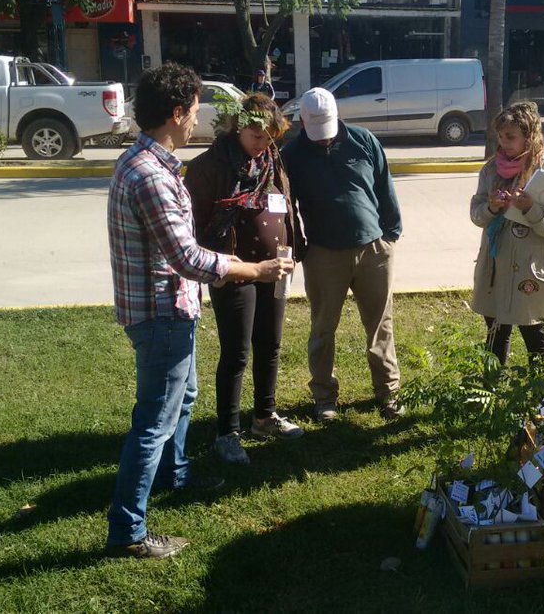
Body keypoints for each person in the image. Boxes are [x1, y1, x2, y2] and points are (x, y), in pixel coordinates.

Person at [105, 63, 293, 560]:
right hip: (161, 312)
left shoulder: (148, 163)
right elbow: (186, 256)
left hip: (172, 307)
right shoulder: (152, 176)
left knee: (183, 399)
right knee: (154, 421)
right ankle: (128, 532)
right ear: (174, 114)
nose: (197, 121)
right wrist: (253, 270)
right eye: (192, 112)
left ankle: (176, 477)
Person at [185, 93, 305, 466]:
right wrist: (214, 265)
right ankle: (227, 432)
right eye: (256, 136)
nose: (263, 144)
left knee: (270, 344)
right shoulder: (211, 166)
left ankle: (264, 417)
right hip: (234, 271)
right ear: (238, 128)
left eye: (270, 137)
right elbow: (194, 224)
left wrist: (293, 247)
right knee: (236, 352)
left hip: (276, 267)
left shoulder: (272, 161)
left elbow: (287, 204)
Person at [280, 87, 404, 421]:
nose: (323, 139)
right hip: (323, 254)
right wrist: (298, 245)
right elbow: (286, 207)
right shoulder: (291, 155)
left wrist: (391, 234)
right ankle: (324, 397)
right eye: (315, 131)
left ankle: (388, 393)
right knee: (322, 327)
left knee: (380, 325)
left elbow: (384, 187)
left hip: (374, 249)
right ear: (302, 121)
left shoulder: (363, 140)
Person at [469, 101, 544, 366]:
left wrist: (531, 210)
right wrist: (491, 207)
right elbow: (476, 215)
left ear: (529, 136)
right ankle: (490, 397)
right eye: (500, 137)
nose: (504, 143)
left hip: (531, 270)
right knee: (495, 336)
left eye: (511, 137)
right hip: (496, 268)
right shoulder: (491, 170)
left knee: (535, 337)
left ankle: (541, 403)